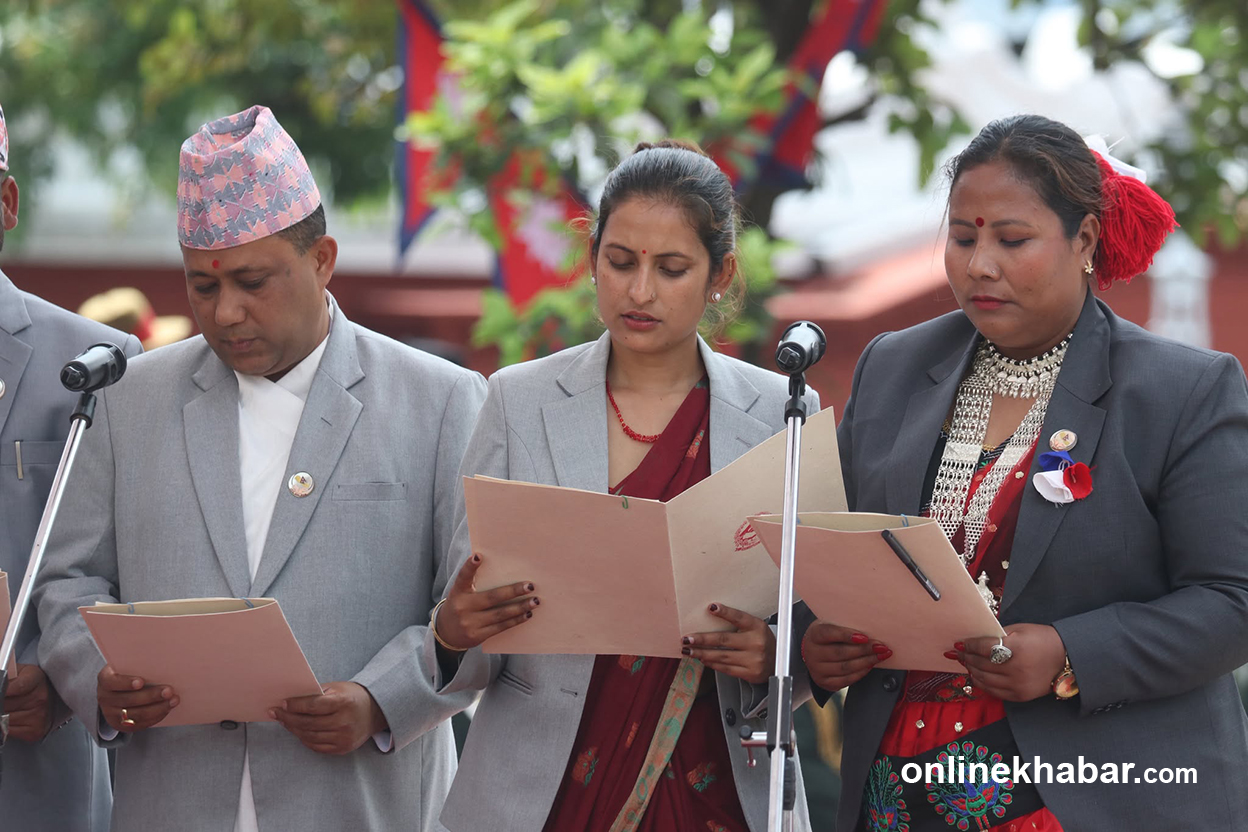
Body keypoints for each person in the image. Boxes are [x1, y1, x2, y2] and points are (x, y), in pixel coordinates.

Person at [35, 105, 486, 831]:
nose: (227, 313)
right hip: (174, 804)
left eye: (253, 281)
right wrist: (97, 679)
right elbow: (66, 581)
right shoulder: (127, 399)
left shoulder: (439, 400)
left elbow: (475, 608)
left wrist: (381, 700)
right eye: (203, 287)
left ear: (322, 259)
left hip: (362, 807)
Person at [799, 114, 1248, 830]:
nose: (980, 265)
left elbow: (1232, 601)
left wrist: (1070, 654)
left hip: (1088, 791)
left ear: (1085, 240)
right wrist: (814, 645)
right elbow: (830, 554)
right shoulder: (893, 368)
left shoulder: (1178, 391)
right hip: (895, 790)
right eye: (963, 238)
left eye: (1012, 240)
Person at [427, 140, 819, 832]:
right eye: (620, 262)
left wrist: (775, 659)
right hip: (542, 794)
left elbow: (817, 620)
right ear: (591, 259)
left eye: (671, 269)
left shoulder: (781, 412)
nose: (640, 292)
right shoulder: (518, 401)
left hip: (719, 786)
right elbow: (468, 623)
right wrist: (453, 633)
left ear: (721, 273)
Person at [0, 100, 141, 832]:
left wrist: (62, 681)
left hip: (35, 781)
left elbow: (140, 564)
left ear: (7, 201)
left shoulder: (100, 364)